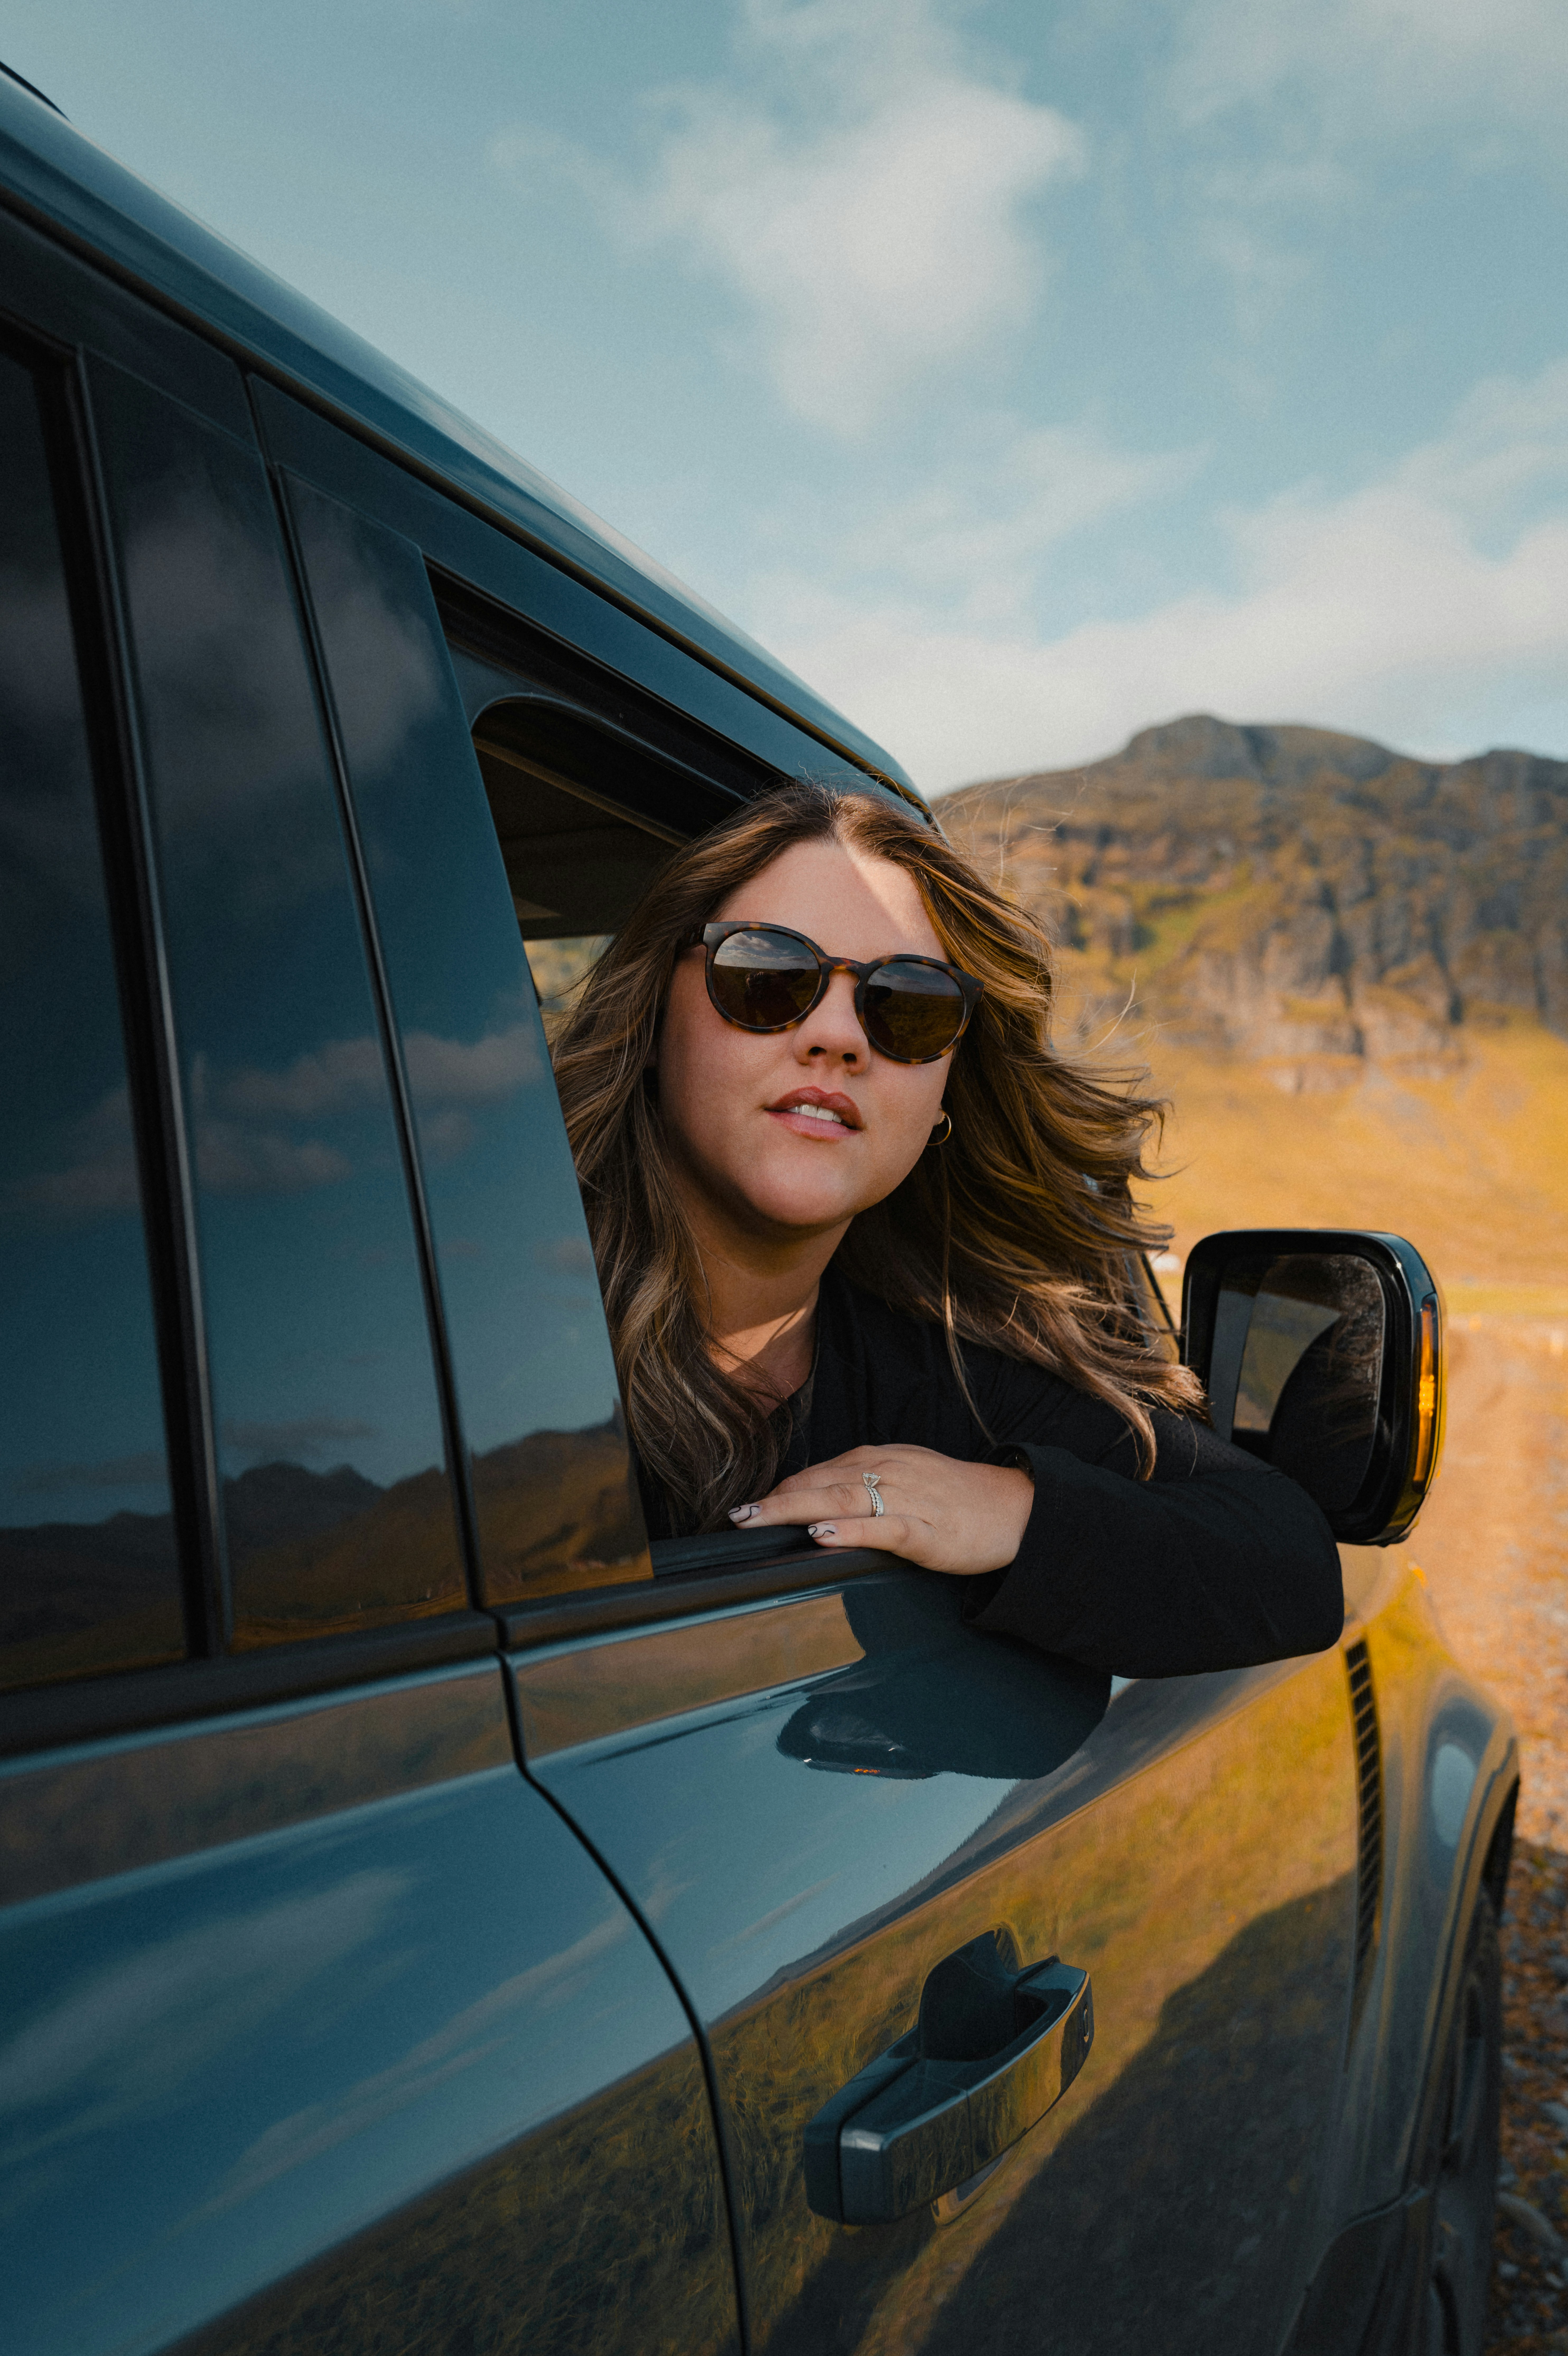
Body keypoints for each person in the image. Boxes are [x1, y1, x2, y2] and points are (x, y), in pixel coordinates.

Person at [551, 781, 1342, 1678]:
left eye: (908, 1005)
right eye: (766, 974)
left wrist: (1010, 1511)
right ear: (655, 1014)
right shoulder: (477, 1318)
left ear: (942, 1098)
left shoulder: (951, 1378)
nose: (839, 1037)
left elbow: (1289, 1564)